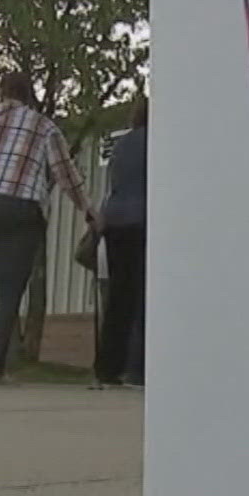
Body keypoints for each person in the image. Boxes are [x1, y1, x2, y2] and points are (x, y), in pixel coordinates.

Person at [0, 73, 98, 386]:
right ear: (29, 95)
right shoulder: (43, 126)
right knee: (7, 293)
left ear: (1, 93)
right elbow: (66, 172)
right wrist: (88, 209)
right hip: (16, 207)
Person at [94, 97, 147, 389]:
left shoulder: (123, 145)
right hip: (144, 219)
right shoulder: (160, 142)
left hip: (115, 221)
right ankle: (137, 367)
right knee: (144, 295)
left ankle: (108, 367)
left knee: (118, 296)